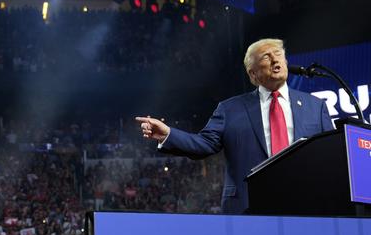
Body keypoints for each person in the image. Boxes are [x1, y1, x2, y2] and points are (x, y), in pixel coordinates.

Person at [137, 38, 334, 214]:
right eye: (266, 57)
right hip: (249, 206)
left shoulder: (315, 107)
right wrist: (168, 134)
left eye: (279, 54)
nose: (275, 60)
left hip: (306, 205)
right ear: (253, 73)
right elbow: (204, 144)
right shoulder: (230, 109)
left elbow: (330, 156)